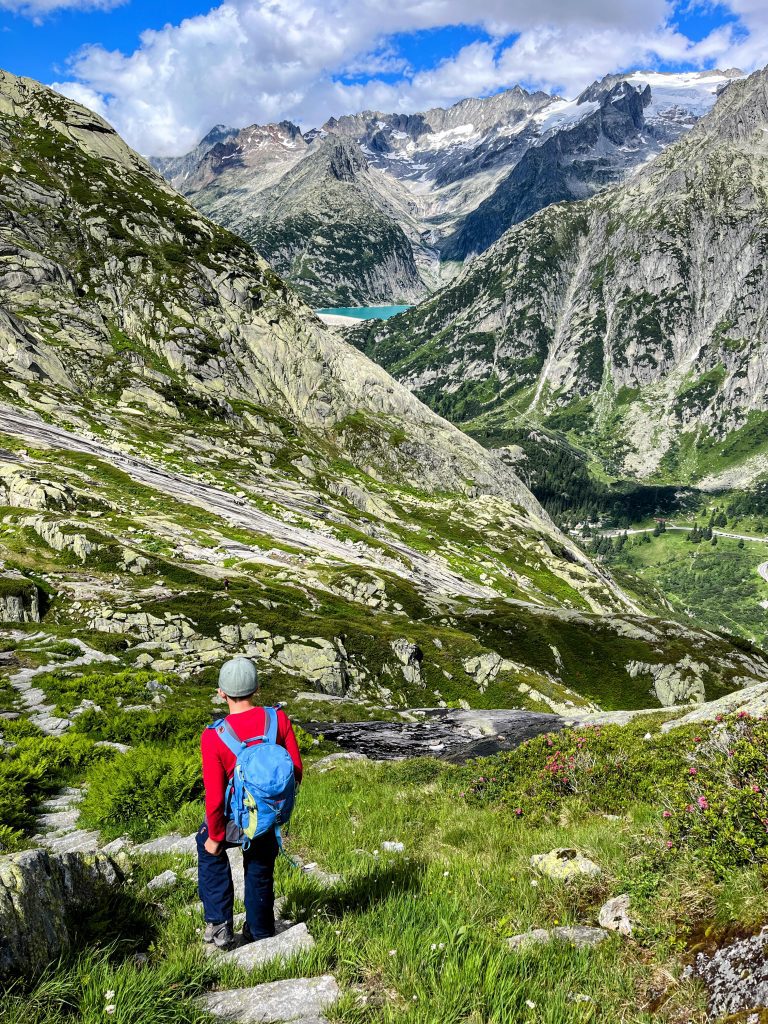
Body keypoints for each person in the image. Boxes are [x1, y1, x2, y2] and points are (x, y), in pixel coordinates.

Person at [197, 657, 303, 949]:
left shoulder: (214, 736)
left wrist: (216, 838)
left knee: (206, 844)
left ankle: (219, 925)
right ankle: (260, 931)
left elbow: (215, 799)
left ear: (221, 692)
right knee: (260, 861)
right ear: (257, 688)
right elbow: (296, 770)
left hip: (237, 819)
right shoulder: (277, 719)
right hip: (269, 814)